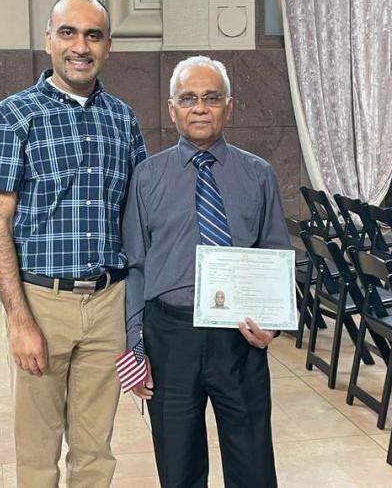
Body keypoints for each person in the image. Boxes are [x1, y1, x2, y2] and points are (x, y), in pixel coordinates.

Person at [0, 0, 147, 488]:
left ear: (108, 46)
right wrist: (19, 320)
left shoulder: (123, 119)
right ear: (48, 39)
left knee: (96, 451)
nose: (80, 46)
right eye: (68, 32)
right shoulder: (12, 118)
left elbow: (138, 217)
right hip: (42, 302)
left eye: (93, 35)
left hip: (109, 304)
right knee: (37, 451)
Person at [122, 55, 290, 487]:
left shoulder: (258, 175)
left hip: (240, 338)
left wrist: (271, 323)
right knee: (178, 466)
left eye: (211, 97)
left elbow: (275, 256)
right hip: (169, 338)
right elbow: (136, 267)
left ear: (228, 107)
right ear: (172, 108)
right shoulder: (146, 177)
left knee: (252, 461)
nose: (200, 107)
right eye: (189, 98)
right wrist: (135, 347)